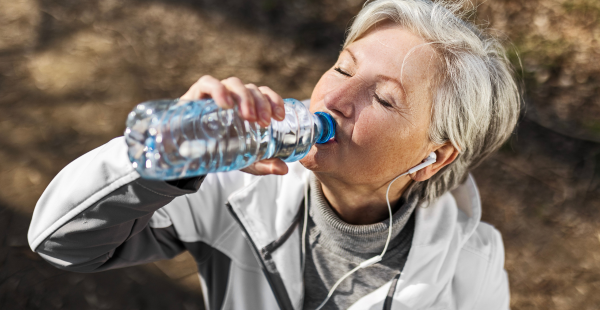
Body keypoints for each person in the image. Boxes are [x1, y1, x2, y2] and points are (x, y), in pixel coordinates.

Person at [28, 0, 520, 309]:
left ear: (434, 158)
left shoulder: (470, 272)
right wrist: (165, 157)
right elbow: (61, 242)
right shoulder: (233, 185)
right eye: (344, 69)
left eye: (385, 98)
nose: (334, 101)